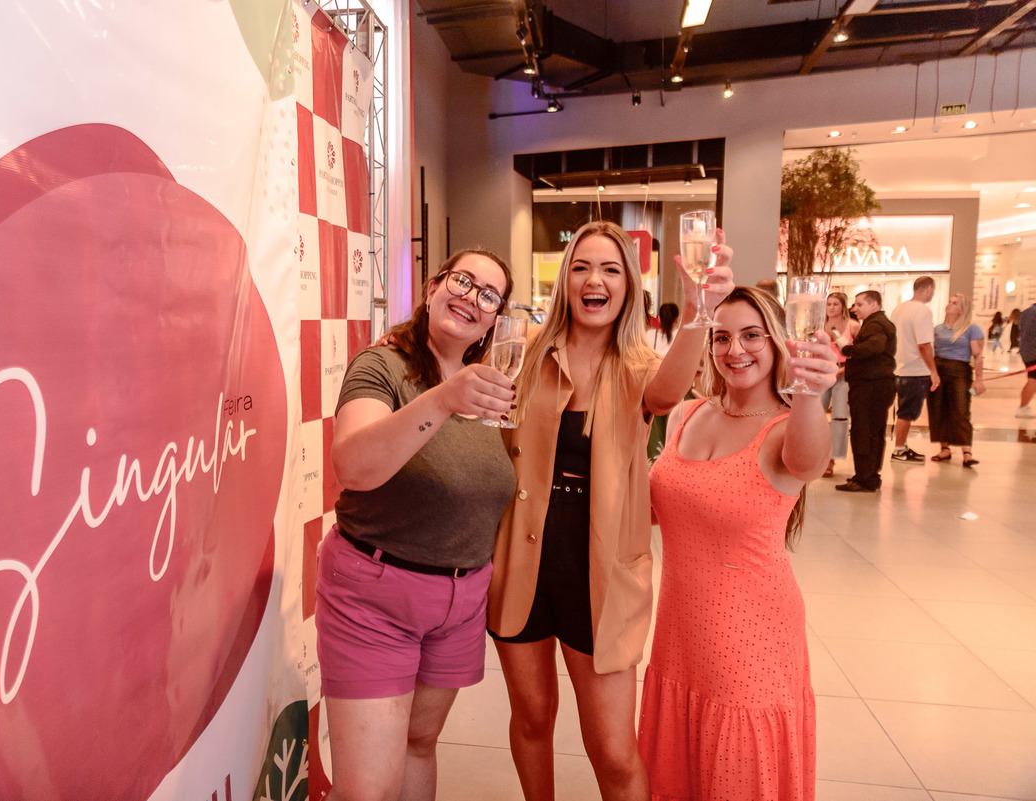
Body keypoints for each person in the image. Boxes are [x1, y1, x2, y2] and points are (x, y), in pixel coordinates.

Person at [488, 220, 734, 801]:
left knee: (615, 752)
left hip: (601, 575)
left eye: (609, 269)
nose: (593, 280)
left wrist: (699, 311)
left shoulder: (639, 364)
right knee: (531, 719)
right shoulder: (525, 353)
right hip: (522, 564)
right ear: (564, 282)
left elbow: (667, 395)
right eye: (580, 267)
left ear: (628, 286)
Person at [316, 249, 518, 801]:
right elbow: (353, 467)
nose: (471, 297)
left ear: (495, 320)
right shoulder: (382, 366)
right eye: (462, 281)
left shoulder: (493, 386)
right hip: (375, 594)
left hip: (460, 602)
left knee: (419, 745)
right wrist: (445, 398)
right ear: (432, 288)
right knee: (367, 789)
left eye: (489, 295)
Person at [638, 286, 836, 800]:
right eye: (721, 337)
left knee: (738, 767)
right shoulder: (686, 413)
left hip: (750, 636)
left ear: (777, 343)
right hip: (680, 629)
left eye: (752, 335)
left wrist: (810, 390)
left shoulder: (786, 428)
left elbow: (809, 463)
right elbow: (659, 508)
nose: (735, 350)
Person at [837, 290, 897, 493]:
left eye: (860, 304)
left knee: (864, 431)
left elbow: (873, 347)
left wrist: (847, 349)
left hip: (870, 386)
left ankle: (865, 478)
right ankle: (867, 475)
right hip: (874, 384)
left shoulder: (876, 324)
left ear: (874, 305)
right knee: (872, 432)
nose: (855, 309)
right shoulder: (876, 323)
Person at [928, 294, 985, 467]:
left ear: (962, 308)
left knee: (961, 410)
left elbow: (978, 356)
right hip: (938, 369)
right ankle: (944, 448)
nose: (949, 305)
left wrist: (979, 379)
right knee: (938, 409)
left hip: (960, 370)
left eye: (955, 303)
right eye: (950, 302)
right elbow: (929, 351)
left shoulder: (971, 328)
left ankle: (967, 452)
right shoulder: (938, 329)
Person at [889, 276, 939, 464]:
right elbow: (924, 345)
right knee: (907, 412)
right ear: (928, 288)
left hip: (899, 367)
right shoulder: (922, 311)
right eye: (933, 290)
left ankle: (901, 446)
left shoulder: (899, 309)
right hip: (915, 370)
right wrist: (933, 371)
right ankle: (899, 450)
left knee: (904, 411)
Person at [822, 291, 860, 477]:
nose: (831, 307)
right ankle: (817, 455)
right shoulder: (820, 326)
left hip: (844, 372)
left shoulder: (853, 326)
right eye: (829, 304)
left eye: (835, 304)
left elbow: (859, 354)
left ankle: (831, 459)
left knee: (839, 416)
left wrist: (843, 371)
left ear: (843, 306)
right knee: (816, 415)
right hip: (822, 372)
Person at [1018, 302, 1036, 417]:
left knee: (1032, 379)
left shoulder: (1025, 312)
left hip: (1026, 350)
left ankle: (1023, 407)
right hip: (1033, 352)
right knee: (1033, 380)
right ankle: (1023, 407)